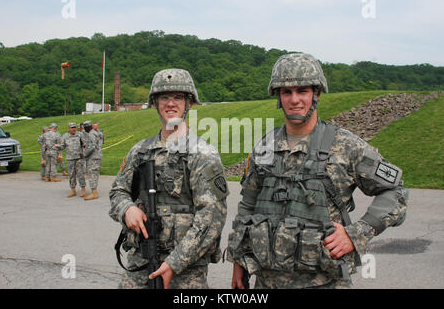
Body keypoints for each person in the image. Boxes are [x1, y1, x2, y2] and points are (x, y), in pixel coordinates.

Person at [226, 53, 408, 289]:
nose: (294, 99)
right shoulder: (264, 146)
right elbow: (248, 206)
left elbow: (396, 192)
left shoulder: (346, 146)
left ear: (316, 94)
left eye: (302, 91)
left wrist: (357, 233)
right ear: (278, 97)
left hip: (325, 282)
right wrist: (238, 262)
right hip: (267, 282)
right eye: (286, 92)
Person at [109, 68, 228, 289]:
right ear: (155, 102)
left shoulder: (203, 154)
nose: (170, 103)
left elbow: (212, 216)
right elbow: (118, 192)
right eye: (164, 97)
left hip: (185, 270)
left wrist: (174, 263)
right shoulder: (140, 151)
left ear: (189, 103)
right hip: (140, 262)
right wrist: (127, 209)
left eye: (178, 97)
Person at [61, 122, 86, 198]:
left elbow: (85, 143)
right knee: (71, 174)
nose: (73, 129)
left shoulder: (80, 134)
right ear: (68, 128)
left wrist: (84, 145)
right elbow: (62, 146)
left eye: (74, 127)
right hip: (70, 158)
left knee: (80, 173)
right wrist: (58, 147)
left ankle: (83, 189)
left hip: (79, 157)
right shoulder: (65, 136)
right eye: (72, 127)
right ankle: (73, 190)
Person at [82, 120, 102, 200]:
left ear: (87, 127)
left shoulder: (91, 134)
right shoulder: (94, 132)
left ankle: (94, 193)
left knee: (92, 173)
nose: (84, 129)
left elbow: (92, 146)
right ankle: (94, 192)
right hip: (96, 156)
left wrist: (84, 154)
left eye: (84, 127)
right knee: (94, 173)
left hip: (93, 157)